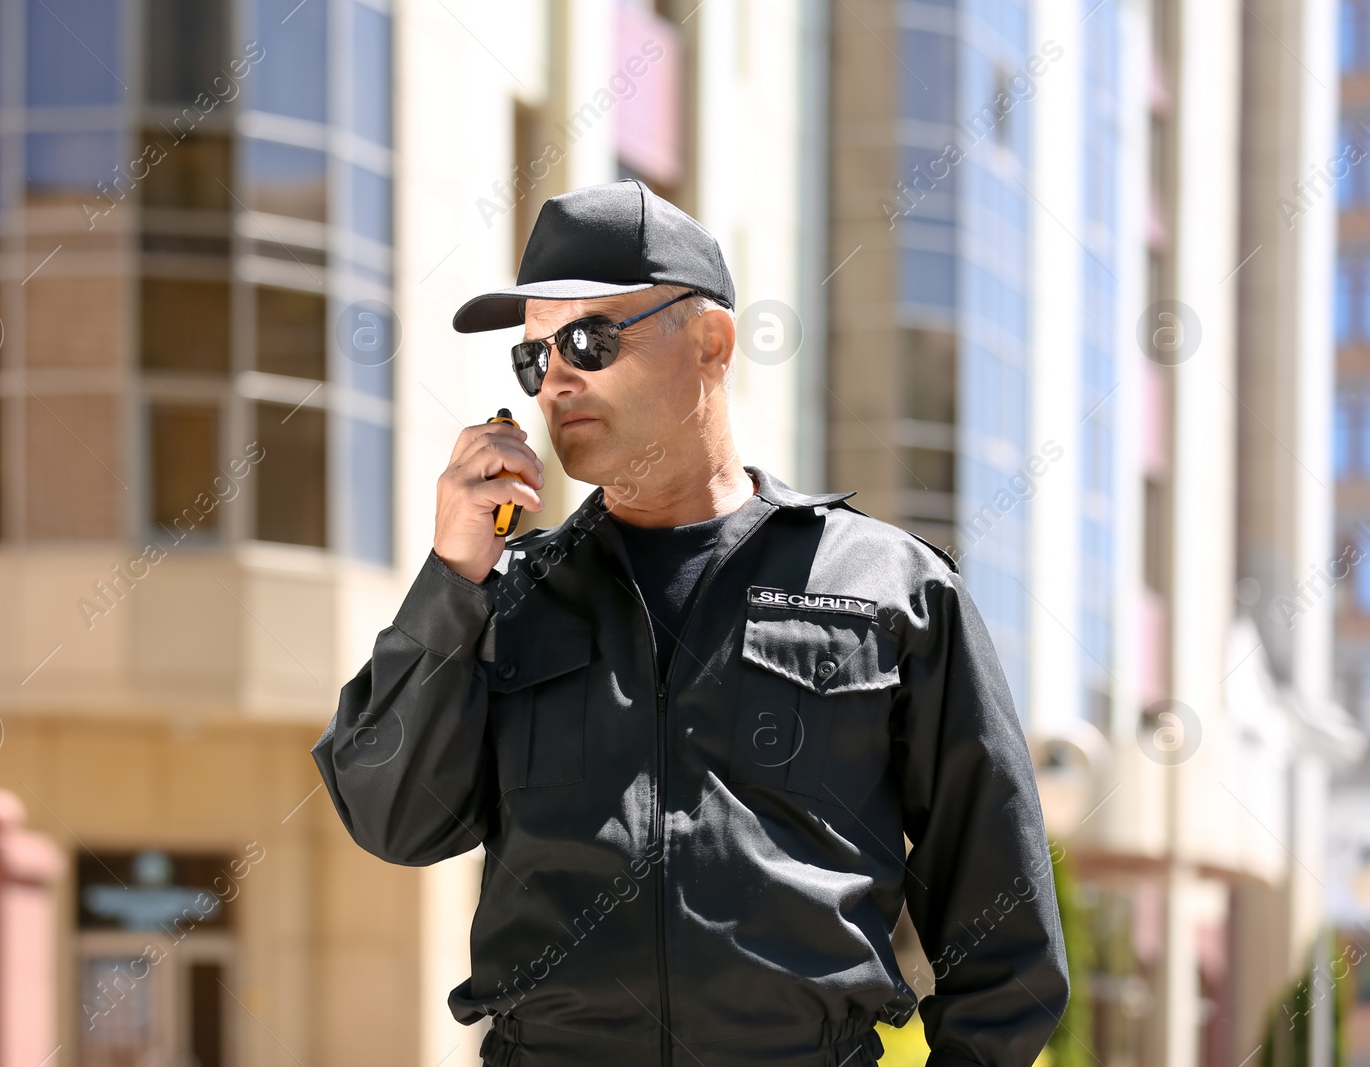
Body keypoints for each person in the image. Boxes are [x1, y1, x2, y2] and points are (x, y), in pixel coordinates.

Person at [311, 178, 1069, 1067]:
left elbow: (1004, 934)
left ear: (710, 342)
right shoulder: (502, 593)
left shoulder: (890, 588)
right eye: (533, 358)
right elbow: (390, 816)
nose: (555, 380)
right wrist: (452, 579)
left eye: (588, 341)